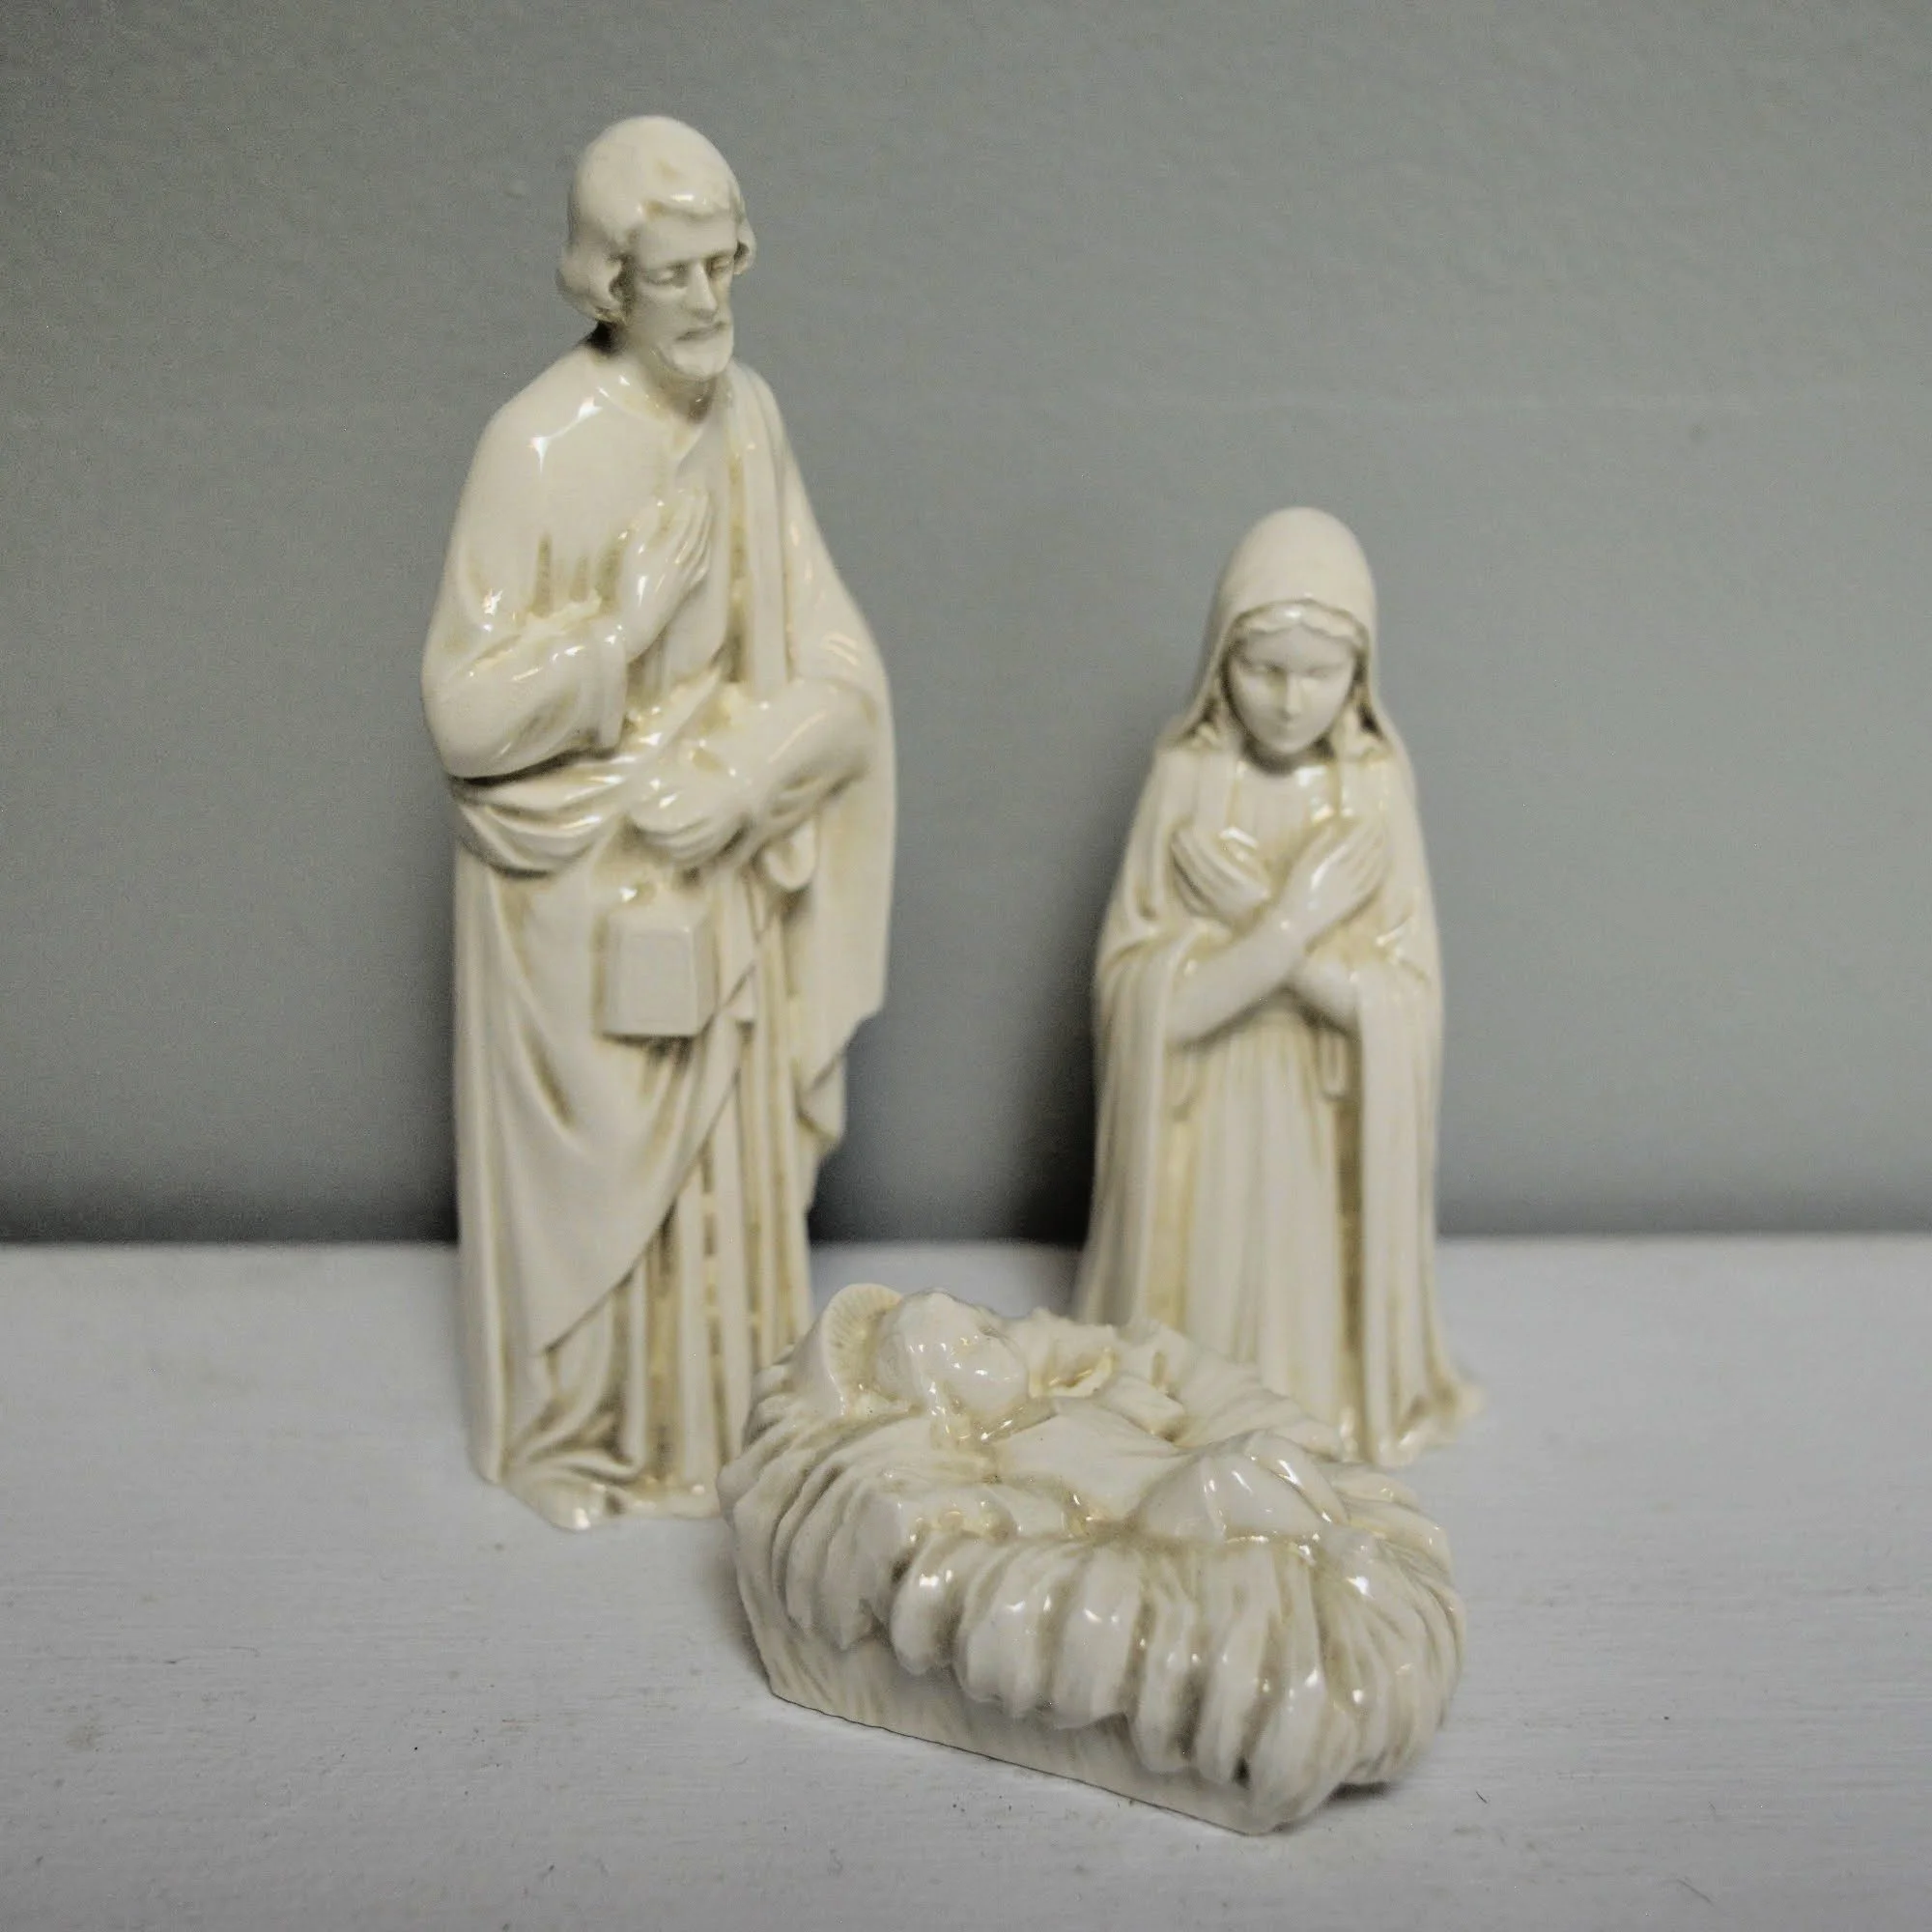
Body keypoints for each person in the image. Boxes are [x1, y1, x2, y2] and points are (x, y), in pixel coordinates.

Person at [421, 118, 893, 1528]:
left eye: (723, 264)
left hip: (711, 866)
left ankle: (711, 1420)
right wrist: (617, 638)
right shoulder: (533, 445)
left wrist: (742, 781)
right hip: (565, 892)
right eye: (674, 274)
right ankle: (569, 1431)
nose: (707, 299)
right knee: (583, 1186)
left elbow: (838, 666)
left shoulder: (749, 421)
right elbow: (462, 715)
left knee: (716, 1171)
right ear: (607, 282)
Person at [1075, 508, 1475, 1465]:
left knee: (1302, 1304)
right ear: (1221, 662)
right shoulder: (1183, 781)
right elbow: (1145, 1006)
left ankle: (1322, 1405)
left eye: (1320, 673)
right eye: (1264, 669)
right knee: (1209, 1304)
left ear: (1360, 674)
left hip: (1318, 1122)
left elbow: (1406, 1005)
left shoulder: (1372, 790)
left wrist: (1267, 926)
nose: (1291, 701)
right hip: (1208, 1115)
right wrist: (1290, 926)